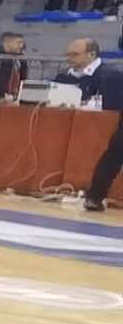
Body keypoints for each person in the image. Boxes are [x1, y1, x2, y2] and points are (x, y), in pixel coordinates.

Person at [58, 36, 123, 212]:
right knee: (114, 155)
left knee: (113, 156)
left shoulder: (110, 74)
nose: (70, 58)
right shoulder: (66, 74)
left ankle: (94, 197)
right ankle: (94, 197)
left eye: (75, 54)